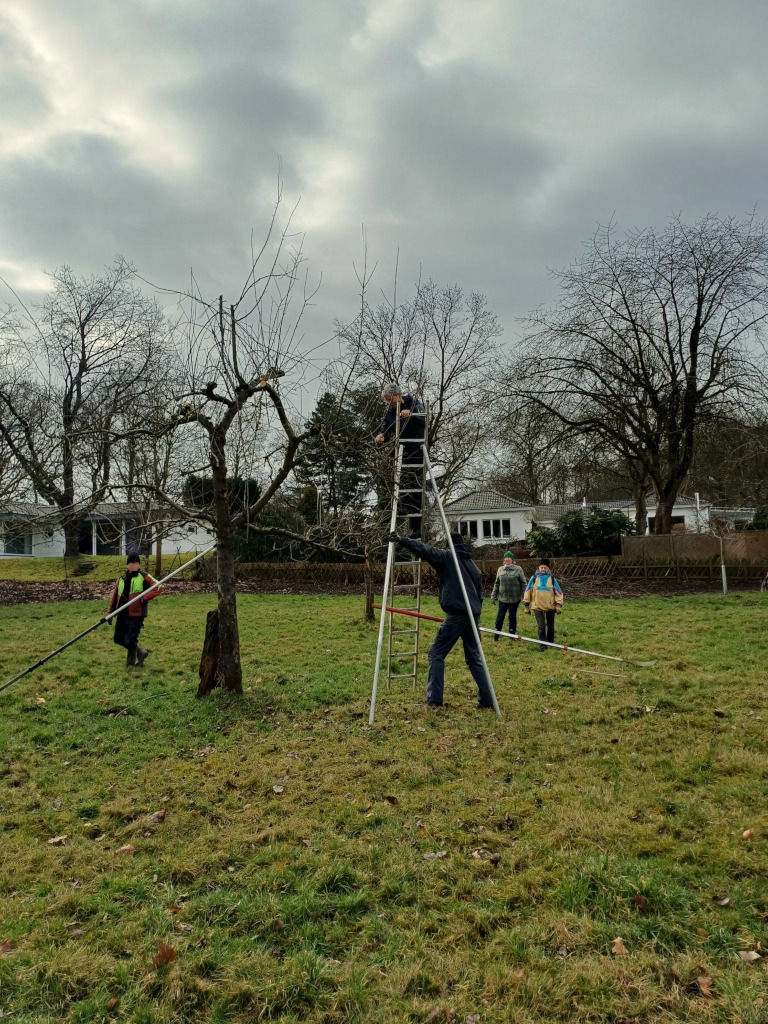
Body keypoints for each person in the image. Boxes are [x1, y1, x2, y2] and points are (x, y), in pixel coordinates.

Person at [389, 530, 495, 709]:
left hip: (457, 614)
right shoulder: (471, 563)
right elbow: (479, 592)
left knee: (436, 653)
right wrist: (475, 611)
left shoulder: (448, 557)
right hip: (473, 613)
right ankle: (487, 700)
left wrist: (402, 540)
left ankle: (434, 701)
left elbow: (425, 550)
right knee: (474, 657)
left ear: (448, 545)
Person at [375, 383, 425, 538]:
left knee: (415, 484)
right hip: (401, 451)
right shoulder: (390, 411)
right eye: (387, 401)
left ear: (398, 395)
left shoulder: (414, 402)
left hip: (416, 448)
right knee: (401, 481)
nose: (389, 403)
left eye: (390, 399)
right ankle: (404, 507)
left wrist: (411, 413)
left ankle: (416, 527)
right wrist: (381, 435)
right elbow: (386, 426)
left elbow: (423, 420)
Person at [107, 551, 162, 667]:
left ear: (139, 564)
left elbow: (159, 586)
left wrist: (143, 599)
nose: (133, 565)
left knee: (130, 640)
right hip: (122, 613)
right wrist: (111, 612)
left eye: (136, 562)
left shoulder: (144, 576)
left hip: (136, 614)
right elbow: (114, 596)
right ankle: (140, 652)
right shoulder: (121, 579)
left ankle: (131, 665)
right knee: (118, 638)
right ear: (127, 564)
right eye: (131, 563)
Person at [523, 559, 564, 651]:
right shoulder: (533, 579)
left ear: (548, 568)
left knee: (550, 625)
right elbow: (527, 591)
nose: (543, 569)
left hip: (550, 606)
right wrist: (526, 606)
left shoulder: (552, 579)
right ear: (539, 568)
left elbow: (559, 593)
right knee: (541, 626)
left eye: (545, 568)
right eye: (542, 567)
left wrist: (558, 605)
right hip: (537, 606)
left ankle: (550, 642)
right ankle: (543, 645)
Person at [491, 550, 526, 641]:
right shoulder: (500, 569)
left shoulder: (518, 569)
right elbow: (497, 584)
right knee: (500, 616)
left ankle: (512, 634)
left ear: (512, 559)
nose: (506, 559)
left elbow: (523, 583)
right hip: (503, 598)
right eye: (505, 557)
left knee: (512, 616)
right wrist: (493, 596)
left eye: (509, 557)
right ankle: (497, 633)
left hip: (515, 598)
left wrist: (525, 597)